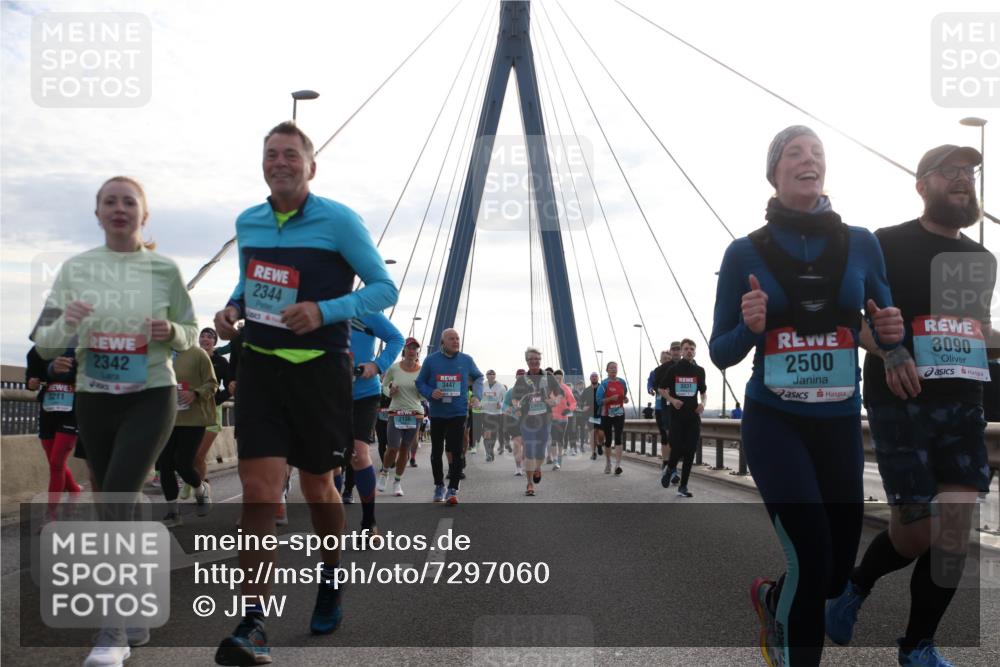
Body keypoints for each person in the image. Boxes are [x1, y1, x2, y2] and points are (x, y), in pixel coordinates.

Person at [709, 125, 904, 667]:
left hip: (839, 422)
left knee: (835, 571)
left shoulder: (862, 242)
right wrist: (750, 327)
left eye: (816, 152)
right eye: (793, 153)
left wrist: (892, 330)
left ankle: (774, 598)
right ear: (773, 173)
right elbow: (721, 352)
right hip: (775, 422)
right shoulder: (744, 251)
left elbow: (885, 326)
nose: (808, 159)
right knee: (811, 556)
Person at [213, 121, 398, 664]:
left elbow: (384, 289)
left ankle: (331, 576)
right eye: (271, 154)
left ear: (311, 166)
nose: (280, 162)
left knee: (318, 490)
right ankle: (253, 623)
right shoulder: (248, 221)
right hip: (263, 369)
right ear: (262, 163)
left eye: (291, 154)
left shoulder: (339, 221)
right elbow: (252, 280)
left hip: (321, 371)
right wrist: (232, 309)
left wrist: (324, 310)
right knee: (260, 492)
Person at [826, 144, 998, 667]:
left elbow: (976, 329)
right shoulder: (886, 244)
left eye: (969, 172)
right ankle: (855, 587)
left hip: (964, 403)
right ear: (922, 184)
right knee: (919, 530)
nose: (963, 180)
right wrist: (888, 349)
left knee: (952, 537)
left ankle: (917, 646)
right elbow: (848, 319)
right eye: (950, 172)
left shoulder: (981, 259)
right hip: (901, 402)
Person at [31, 175, 198, 666]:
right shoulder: (77, 269)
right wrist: (69, 321)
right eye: (110, 201)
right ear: (98, 212)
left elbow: (189, 330)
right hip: (96, 399)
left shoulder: (163, 269)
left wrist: (171, 329)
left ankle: (112, 634)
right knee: (110, 505)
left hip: (151, 396)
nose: (119, 208)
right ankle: (136, 610)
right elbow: (43, 343)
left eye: (130, 202)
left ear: (143, 216)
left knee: (118, 498)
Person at [350, 313, 404, 536]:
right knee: (328, 459)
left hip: (362, 393)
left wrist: (376, 365)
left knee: (358, 453)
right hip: (326, 393)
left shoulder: (364, 309)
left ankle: (368, 521)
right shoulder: (314, 306)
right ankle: (332, 518)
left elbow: (396, 338)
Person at [415, 328, 483, 504]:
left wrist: (476, 396)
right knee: (436, 451)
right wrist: (430, 392)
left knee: (456, 449)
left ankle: (453, 488)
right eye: (451, 339)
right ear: (443, 342)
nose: (456, 341)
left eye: (457, 338)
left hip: (458, 412)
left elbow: (478, 377)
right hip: (437, 413)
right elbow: (419, 382)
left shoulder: (466, 360)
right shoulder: (431, 361)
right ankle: (439, 485)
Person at [158, 344, 218, 526]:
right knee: (164, 464)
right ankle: (173, 513)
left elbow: (212, 384)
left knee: (183, 463)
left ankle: (201, 490)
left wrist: (195, 393)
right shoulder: (159, 354)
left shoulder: (198, 354)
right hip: (166, 419)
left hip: (193, 419)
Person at [27, 345, 84, 519]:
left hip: (72, 412)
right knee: (54, 462)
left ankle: (51, 515)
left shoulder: (83, 347)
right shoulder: (39, 349)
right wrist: (31, 383)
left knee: (57, 463)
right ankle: (74, 490)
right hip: (48, 410)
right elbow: (31, 378)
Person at [182, 327, 231, 501]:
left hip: (212, 413)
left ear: (214, 342)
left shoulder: (221, 362)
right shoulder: (191, 360)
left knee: (198, 455)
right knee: (188, 456)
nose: (205, 338)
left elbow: (231, 386)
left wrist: (217, 399)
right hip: (191, 412)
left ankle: (198, 488)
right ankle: (201, 484)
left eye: (209, 336)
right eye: (202, 335)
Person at [658, 339, 707, 498]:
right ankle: (670, 469)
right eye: (686, 349)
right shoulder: (674, 369)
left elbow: (703, 392)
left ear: (695, 351)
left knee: (690, 452)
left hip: (693, 417)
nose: (689, 351)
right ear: (681, 351)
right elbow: (662, 389)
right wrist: (672, 400)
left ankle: (683, 486)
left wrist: (703, 403)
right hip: (677, 417)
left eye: (692, 349)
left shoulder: (700, 371)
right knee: (677, 448)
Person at [512, 349, 562, 496]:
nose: (534, 361)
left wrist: (555, 401)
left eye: (537, 359)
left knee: (540, 453)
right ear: (526, 361)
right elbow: (515, 398)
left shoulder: (548, 376)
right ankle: (529, 484)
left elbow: (560, 393)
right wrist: (516, 405)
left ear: (540, 360)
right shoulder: (521, 380)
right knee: (529, 453)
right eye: (531, 359)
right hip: (527, 421)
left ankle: (537, 468)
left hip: (545, 420)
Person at [380, 337, 423, 496]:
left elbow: (425, 394)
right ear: (404, 351)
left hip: (415, 413)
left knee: (405, 448)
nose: (412, 351)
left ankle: (397, 482)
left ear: (417, 352)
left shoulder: (422, 370)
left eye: (415, 348)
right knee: (392, 447)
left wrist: (423, 393)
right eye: (409, 348)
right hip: (396, 411)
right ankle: (384, 473)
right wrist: (388, 392)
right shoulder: (394, 368)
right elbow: (383, 385)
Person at [652, 342, 682, 473]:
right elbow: (654, 385)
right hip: (665, 408)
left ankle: (672, 464)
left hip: (683, 407)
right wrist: (666, 394)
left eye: (678, 349)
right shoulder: (659, 370)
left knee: (680, 438)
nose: (675, 352)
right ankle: (669, 464)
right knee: (668, 436)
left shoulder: (689, 366)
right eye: (673, 350)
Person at [596, 362, 629, 475]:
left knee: (619, 437)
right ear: (607, 370)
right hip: (607, 414)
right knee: (609, 439)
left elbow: (624, 396)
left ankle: (618, 465)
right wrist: (610, 399)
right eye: (611, 368)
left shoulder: (622, 382)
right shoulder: (604, 384)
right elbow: (599, 401)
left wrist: (625, 399)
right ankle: (608, 462)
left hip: (619, 413)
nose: (613, 370)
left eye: (615, 368)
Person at [549, 369, 577, 469]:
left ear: (563, 377)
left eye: (560, 376)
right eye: (555, 376)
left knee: (560, 440)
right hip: (552, 418)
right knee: (553, 440)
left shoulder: (566, 388)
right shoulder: (550, 389)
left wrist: (568, 410)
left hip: (563, 418)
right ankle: (555, 461)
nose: (557, 378)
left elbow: (573, 403)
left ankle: (559, 460)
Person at [480, 370, 507, 462]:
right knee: (487, 433)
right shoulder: (483, 386)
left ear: (495, 376)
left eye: (493, 374)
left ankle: (490, 450)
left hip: (496, 413)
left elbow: (506, 399)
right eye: (489, 374)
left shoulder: (501, 387)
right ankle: (488, 453)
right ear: (486, 376)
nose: (491, 376)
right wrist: (479, 404)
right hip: (485, 412)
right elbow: (478, 397)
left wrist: (501, 404)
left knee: (494, 435)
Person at [503, 371, 527, 476]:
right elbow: (504, 405)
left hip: (528, 420)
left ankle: (525, 464)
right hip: (513, 420)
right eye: (519, 377)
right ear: (516, 378)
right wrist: (509, 409)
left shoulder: (530, 391)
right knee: (517, 442)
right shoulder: (510, 392)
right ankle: (518, 467)